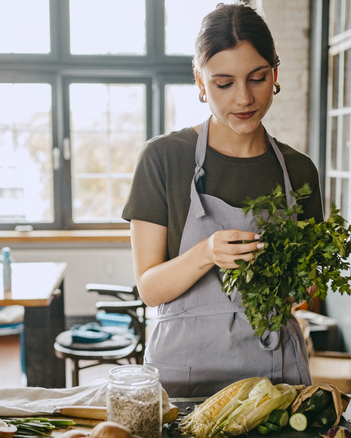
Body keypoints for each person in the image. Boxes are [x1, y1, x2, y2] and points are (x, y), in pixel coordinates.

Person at [121, 3, 323, 398]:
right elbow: (148, 288)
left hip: (274, 373)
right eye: (223, 83)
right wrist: (207, 253)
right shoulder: (163, 158)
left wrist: (300, 285)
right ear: (200, 82)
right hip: (184, 376)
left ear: (275, 74)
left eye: (258, 78)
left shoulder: (298, 171)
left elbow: (307, 291)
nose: (244, 98)